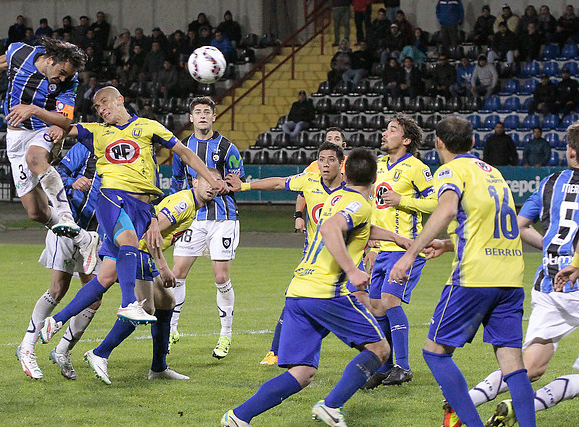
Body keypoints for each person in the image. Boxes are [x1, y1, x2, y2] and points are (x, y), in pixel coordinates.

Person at [221, 148, 412, 427]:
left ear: (344, 172)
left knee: (302, 373)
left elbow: (355, 228)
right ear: (375, 178)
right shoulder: (360, 204)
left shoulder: (337, 198)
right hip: (327, 292)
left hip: (299, 292)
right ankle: (332, 406)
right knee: (380, 349)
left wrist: (397, 239)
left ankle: (239, 416)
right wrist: (351, 270)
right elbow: (331, 229)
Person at [38, 86, 224, 344]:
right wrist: (49, 120)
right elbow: (66, 126)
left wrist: (208, 178)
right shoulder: (97, 131)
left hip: (141, 208)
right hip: (112, 197)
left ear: (120, 100)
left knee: (105, 277)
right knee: (128, 243)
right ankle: (127, 303)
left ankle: (56, 321)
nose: (101, 109)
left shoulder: (149, 127)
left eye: (105, 102)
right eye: (97, 107)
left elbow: (185, 153)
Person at [389, 115, 536, 427]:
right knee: (513, 364)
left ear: (439, 143)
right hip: (510, 276)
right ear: (472, 142)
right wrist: (447, 243)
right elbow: (491, 226)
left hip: (474, 277)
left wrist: (410, 254)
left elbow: (447, 209)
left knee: (435, 353)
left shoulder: (451, 170)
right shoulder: (493, 173)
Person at [448, 122, 579, 427]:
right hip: (575, 276)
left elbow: (519, 226)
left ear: (570, 151)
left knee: (530, 365)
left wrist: (549, 244)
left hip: (549, 283)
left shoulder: (550, 183)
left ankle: (466, 401)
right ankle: (520, 405)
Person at [0, 38, 99, 274]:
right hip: (15, 138)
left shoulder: (69, 81)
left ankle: (66, 215)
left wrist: (35, 110)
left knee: (35, 159)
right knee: (35, 212)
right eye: (62, 72)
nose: (63, 78)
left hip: (41, 129)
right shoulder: (20, 52)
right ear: (49, 59)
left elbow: (65, 120)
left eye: (68, 75)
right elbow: (8, 60)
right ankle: (84, 238)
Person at [83, 169, 220, 385]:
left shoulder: (192, 204)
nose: (211, 186)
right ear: (195, 182)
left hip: (144, 253)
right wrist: (164, 267)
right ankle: (100, 353)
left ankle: (158, 368)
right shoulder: (184, 203)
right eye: (207, 181)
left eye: (216, 182)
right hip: (139, 251)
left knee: (167, 302)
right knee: (144, 309)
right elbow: (149, 233)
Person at [227, 141, 347, 366]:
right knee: (293, 300)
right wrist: (243, 187)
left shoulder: (352, 190)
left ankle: (381, 355)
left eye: (331, 160)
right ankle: (276, 352)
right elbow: (277, 184)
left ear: (341, 164)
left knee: (367, 305)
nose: (325, 165)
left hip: (346, 261)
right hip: (313, 259)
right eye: (321, 160)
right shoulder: (309, 181)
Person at [16, 141, 101, 380]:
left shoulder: (123, 159)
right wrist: (73, 183)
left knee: (94, 298)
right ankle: (27, 346)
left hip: (95, 235)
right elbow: (56, 172)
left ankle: (62, 350)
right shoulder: (87, 146)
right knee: (58, 289)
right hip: (68, 225)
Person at [364, 115, 436, 389]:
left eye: (392, 130)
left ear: (406, 140)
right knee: (376, 306)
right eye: (385, 129)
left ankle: (402, 366)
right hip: (381, 248)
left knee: (389, 300)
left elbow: (437, 203)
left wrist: (402, 200)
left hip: (406, 248)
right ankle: (384, 368)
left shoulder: (417, 168)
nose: (384, 133)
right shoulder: (378, 165)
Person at [170, 96, 244, 359]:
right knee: (177, 272)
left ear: (214, 117)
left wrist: (226, 184)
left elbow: (238, 181)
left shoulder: (227, 148)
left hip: (223, 218)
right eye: (197, 112)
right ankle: (172, 328)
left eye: (207, 112)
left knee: (221, 277)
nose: (202, 115)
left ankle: (225, 334)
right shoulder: (183, 147)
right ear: (191, 118)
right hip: (194, 218)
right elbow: (177, 181)